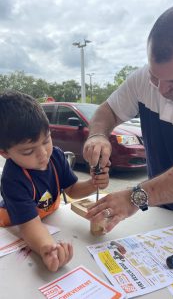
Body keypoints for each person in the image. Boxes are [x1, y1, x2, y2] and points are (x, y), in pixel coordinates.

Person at [83, 3, 173, 231]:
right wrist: (98, 136)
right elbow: (107, 110)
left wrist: (134, 198)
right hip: (161, 208)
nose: (161, 90)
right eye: (154, 76)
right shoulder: (143, 79)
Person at [0, 91, 109, 272]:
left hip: (50, 220)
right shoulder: (13, 179)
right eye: (28, 151)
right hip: (13, 229)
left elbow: (72, 189)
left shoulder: (56, 156)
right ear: (5, 153)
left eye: (46, 140)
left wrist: (93, 183)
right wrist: (47, 248)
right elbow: (29, 225)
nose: (43, 154)